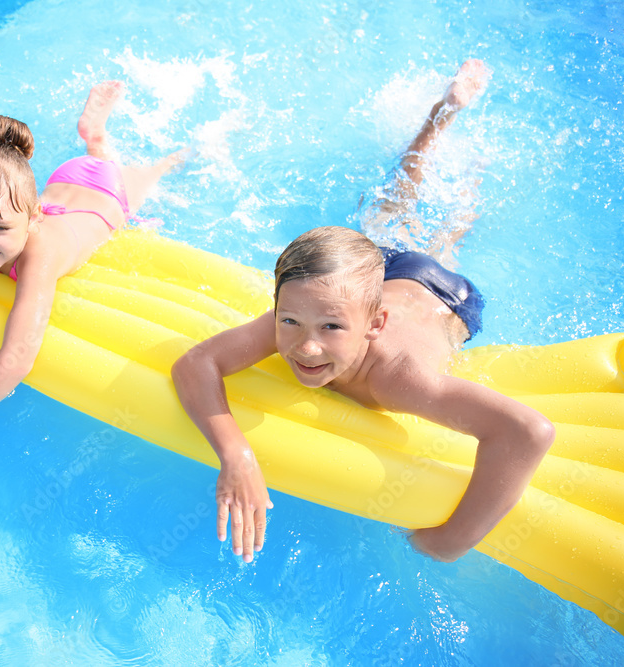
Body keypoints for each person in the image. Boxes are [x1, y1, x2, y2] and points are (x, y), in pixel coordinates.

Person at [171, 59, 555, 564]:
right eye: (289, 321)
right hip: (366, 277)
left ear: (375, 327)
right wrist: (237, 455)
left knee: (448, 237)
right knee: (396, 199)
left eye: (331, 330)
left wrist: (449, 541)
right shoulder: (305, 314)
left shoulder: (400, 379)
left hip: (443, 297)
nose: (306, 347)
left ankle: (459, 167)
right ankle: (439, 116)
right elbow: (194, 363)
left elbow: (527, 432)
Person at [0, 81, 185, 442]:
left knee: (159, 169)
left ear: (34, 218)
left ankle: (148, 145)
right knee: (98, 154)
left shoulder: (40, 251)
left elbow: (18, 357)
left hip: (110, 194)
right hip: (67, 177)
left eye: (0, 228)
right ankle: (93, 136)